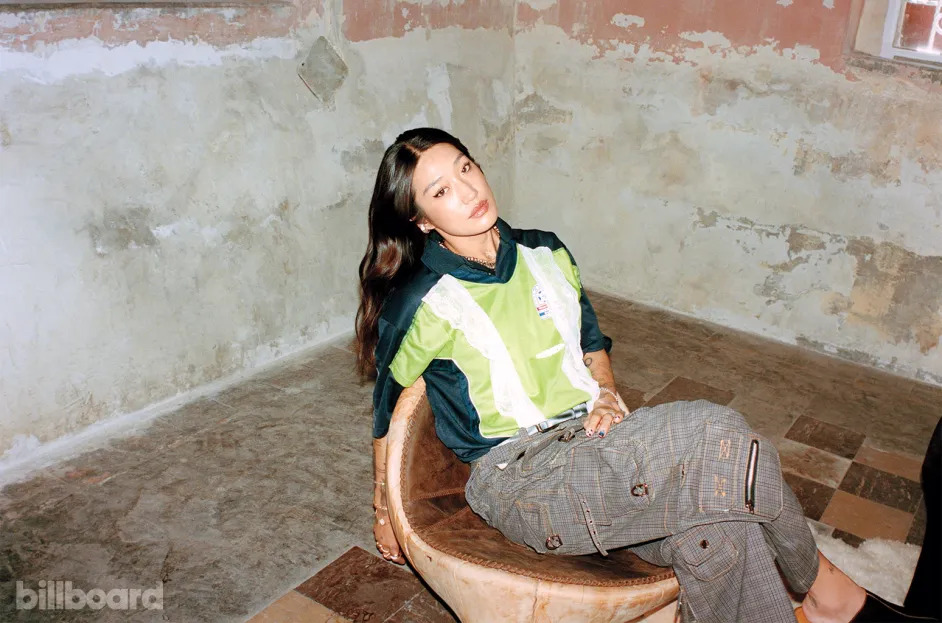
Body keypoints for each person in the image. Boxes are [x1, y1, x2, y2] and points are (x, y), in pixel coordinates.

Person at [356, 127, 920, 623]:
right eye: (441, 191)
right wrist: (387, 514)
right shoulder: (422, 301)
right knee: (718, 435)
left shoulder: (546, 252)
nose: (470, 190)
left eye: (466, 168)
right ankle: (828, 593)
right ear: (421, 220)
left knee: (724, 535)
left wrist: (605, 392)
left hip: (597, 442)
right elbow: (386, 415)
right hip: (523, 476)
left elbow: (590, 341)